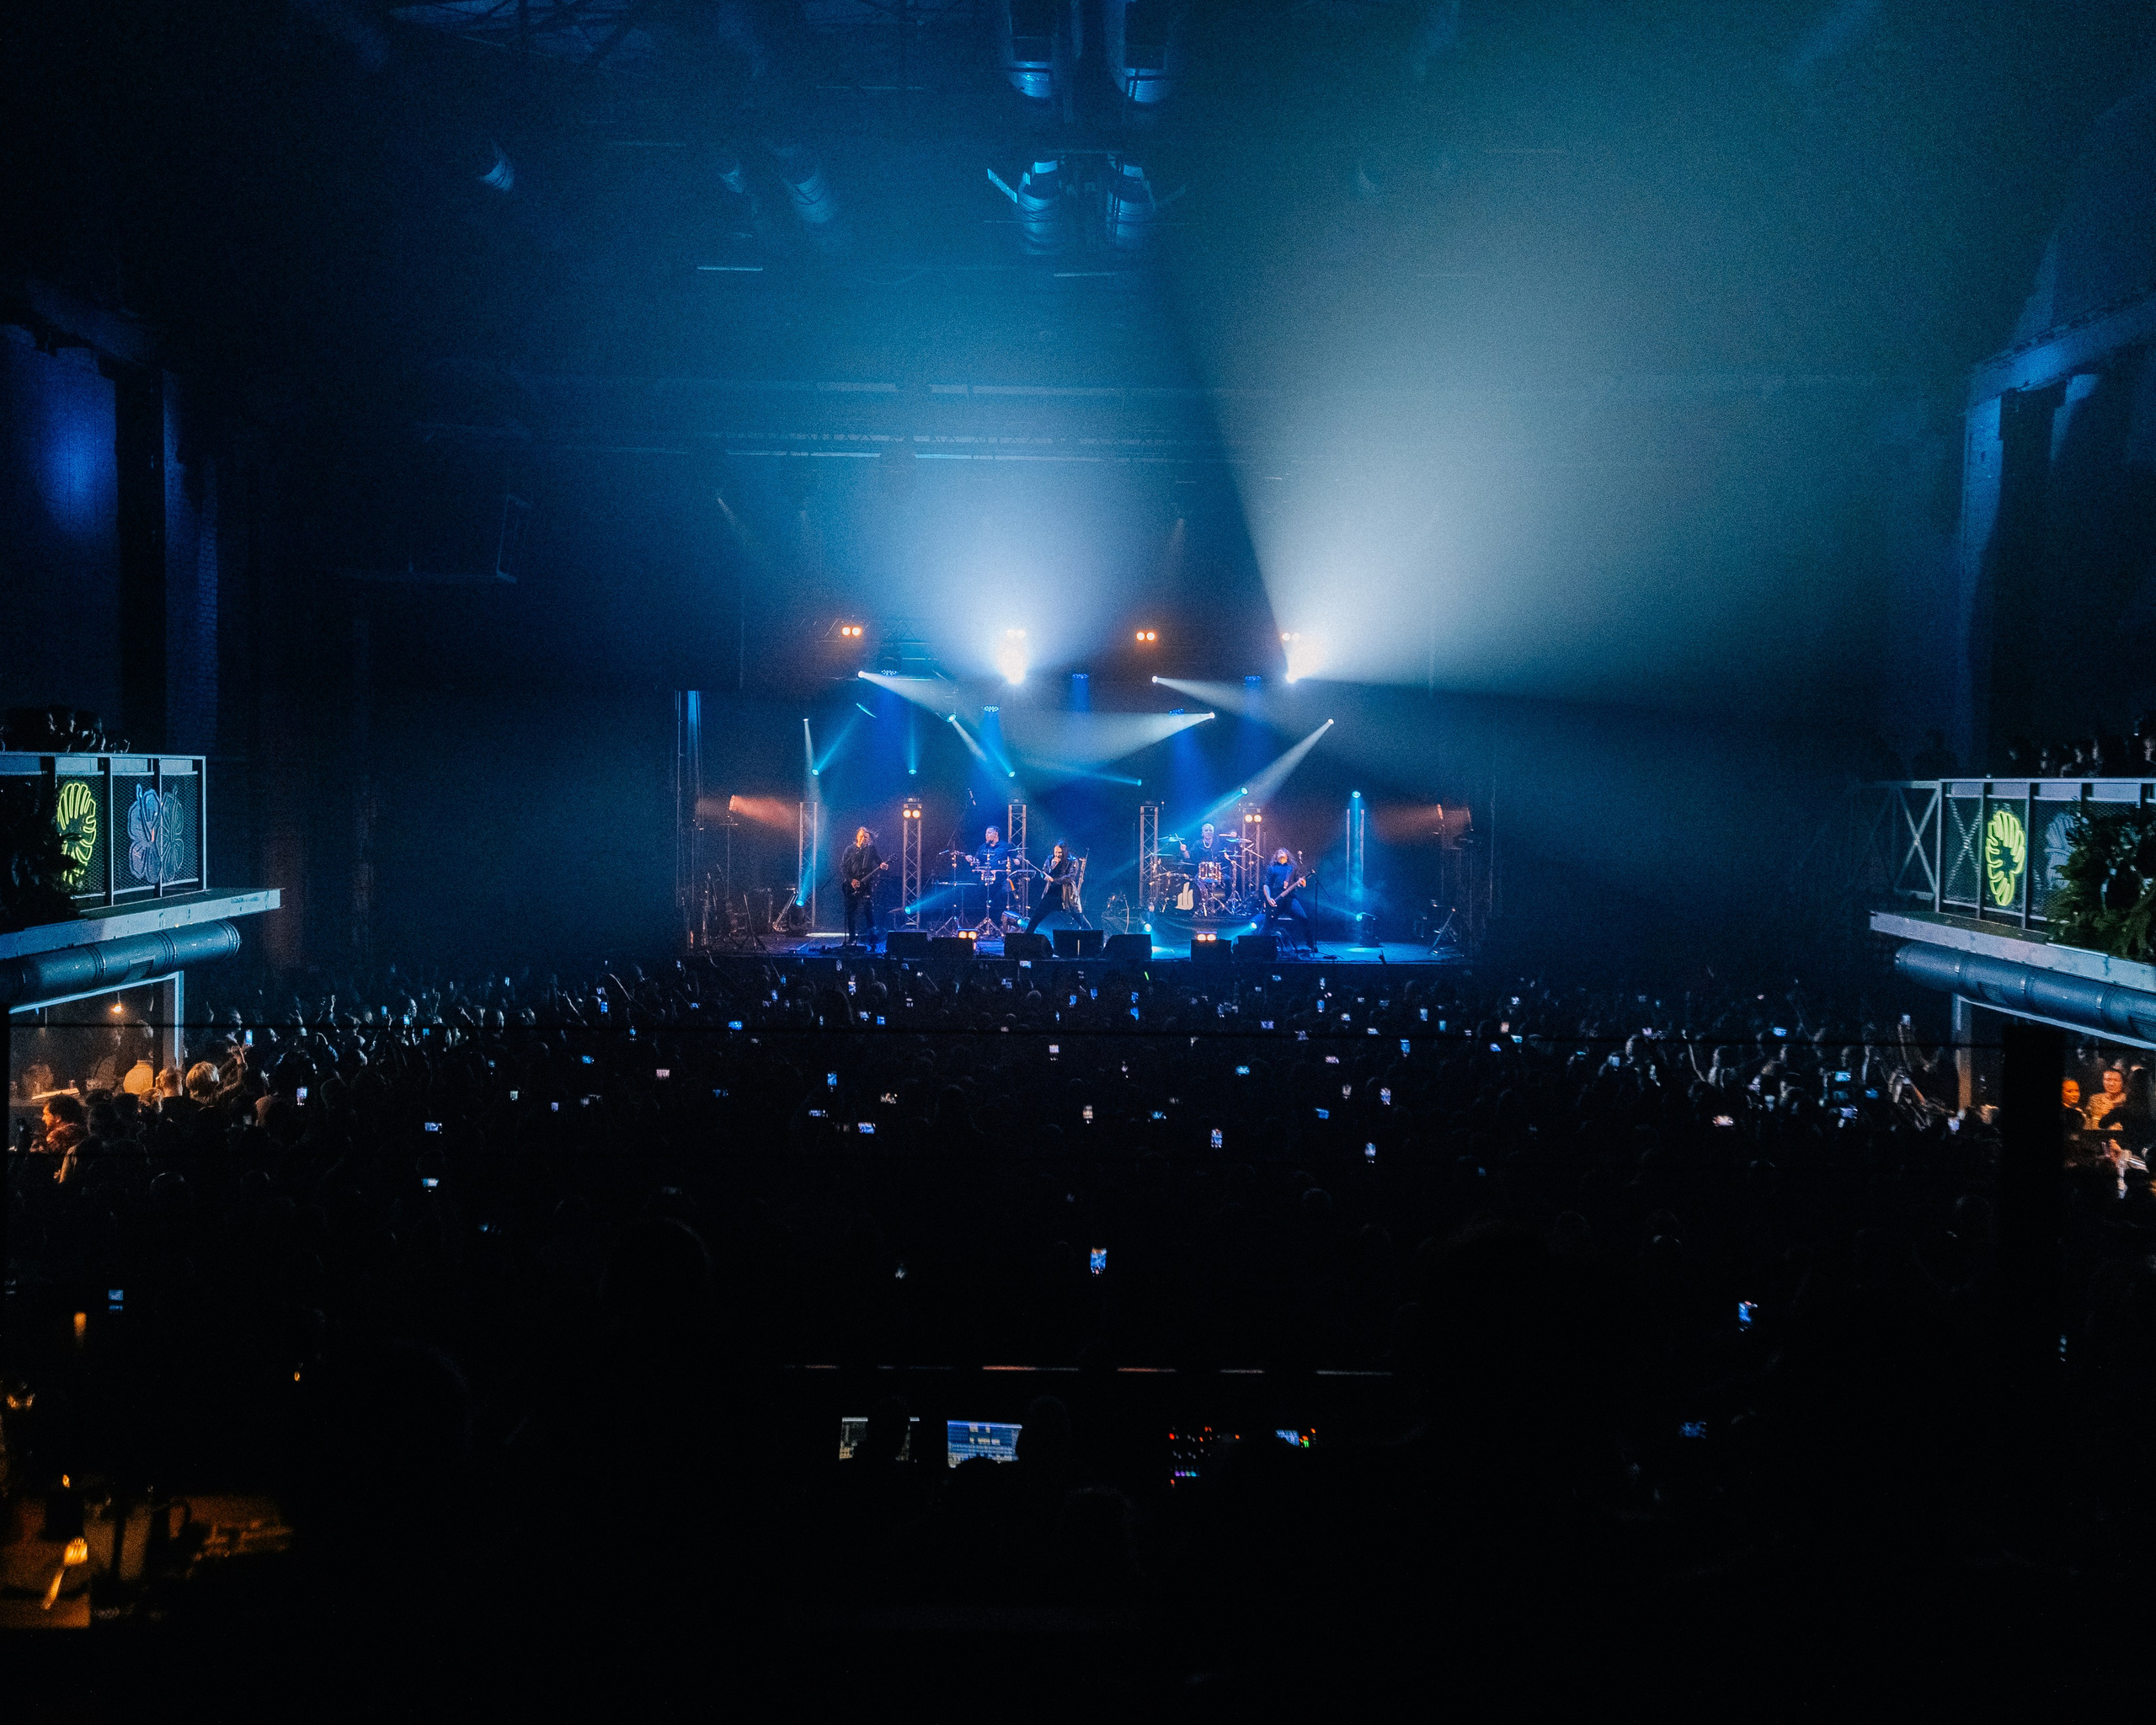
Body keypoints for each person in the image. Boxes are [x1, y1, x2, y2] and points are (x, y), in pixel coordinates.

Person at [840, 827, 885, 947]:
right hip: (851, 885)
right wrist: (851, 881)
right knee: (851, 912)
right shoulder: (849, 850)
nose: (863, 839)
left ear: (869, 839)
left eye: (866, 837)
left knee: (868, 909)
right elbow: (843, 868)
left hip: (866, 884)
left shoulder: (871, 849)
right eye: (861, 836)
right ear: (856, 836)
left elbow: (879, 861)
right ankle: (852, 938)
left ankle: (872, 937)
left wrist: (883, 864)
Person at [1262, 848, 1314, 951]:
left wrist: (1302, 882)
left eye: (1283, 851)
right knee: (1267, 924)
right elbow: (1266, 884)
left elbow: (1303, 884)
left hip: (1290, 899)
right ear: (1276, 856)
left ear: (1287, 855)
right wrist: (1268, 898)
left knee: (1304, 918)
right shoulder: (1272, 868)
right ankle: (1261, 945)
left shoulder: (1292, 868)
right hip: (1275, 900)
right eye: (1278, 851)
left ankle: (1311, 945)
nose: (1280, 851)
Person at [1025, 843, 1083, 934]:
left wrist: (1054, 880)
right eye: (1055, 852)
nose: (1057, 854)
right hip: (1051, 893)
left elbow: (1071, 877)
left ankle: (1093, 934)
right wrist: (1052, 867)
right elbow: (1043, 873)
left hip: (1066, 893)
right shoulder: (1050, 858)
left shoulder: (1072, 860)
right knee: (1037, 916)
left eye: (1059, 852)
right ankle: (1026, 936)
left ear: (1064, 851)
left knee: (1078, 916)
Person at [969, 825, 1015, 930]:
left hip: (1001, 879)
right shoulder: (983, 847)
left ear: (996, 834)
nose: (986, 835)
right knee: (980, 898)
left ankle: (999, 925)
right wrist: (971, 859)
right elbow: (977, 860)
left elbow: (1017, 857)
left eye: (989, 833)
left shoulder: (1006, 846)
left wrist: (1017, 860)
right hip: (985, 878)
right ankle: (984, 924)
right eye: (986, 833)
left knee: (1000, 899)